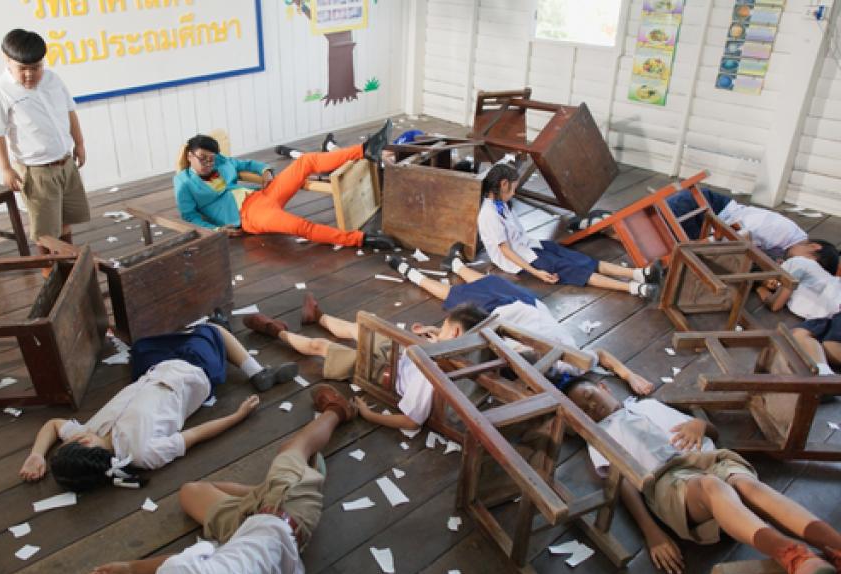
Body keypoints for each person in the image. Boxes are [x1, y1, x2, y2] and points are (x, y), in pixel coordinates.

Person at [566, 380, 840, 574]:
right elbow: (623, 482)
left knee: (748, 485)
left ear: (604, 387)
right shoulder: (598, 438)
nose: (592, 406)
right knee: (711, 486)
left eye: (590, 395)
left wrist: (700, 425)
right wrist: (653, 533)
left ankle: (835, 546)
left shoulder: (648, 405)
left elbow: (711, 433)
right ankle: (793, 555)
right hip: (669, 480)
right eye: (583, 410)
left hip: (710, 458)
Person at [84, 384, 355, 574]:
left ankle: (269, 489)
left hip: (242, 536)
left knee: (190, 492)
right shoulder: (184, 571)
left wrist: (130, 569)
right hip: (287, 519)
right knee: (292, 449)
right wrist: (131, 568)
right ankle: (338, 411)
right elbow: (178, 564)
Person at [18, 324, 298, 491]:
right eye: (71, 443)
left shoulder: (90, 432)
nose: (70, 437)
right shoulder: (143, 454)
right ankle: (257, 372)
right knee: (213, 331)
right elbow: (195, 435)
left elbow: (53, 425)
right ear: (86, 445)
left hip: (152, 372)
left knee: (141, 346)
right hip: (191, 374)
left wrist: (37, 455)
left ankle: (212, 340)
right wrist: (238, 416)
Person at [386, 245, 655, 395]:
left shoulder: (548, 375)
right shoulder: (572, 366)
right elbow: (602, 355)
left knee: (459, 294)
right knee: (479, 286)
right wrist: (630, 375)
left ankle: (413, 273)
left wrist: (435, 335)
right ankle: (453, 266)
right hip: (523, 308)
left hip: (512, 315)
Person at [244, 301, 487, 431]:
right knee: (358, 329)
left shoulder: (431, 375)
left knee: (322, 347)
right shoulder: (463, 352)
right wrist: (434, 335)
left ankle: (276, 331)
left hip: (387, 372)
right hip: (401, 357)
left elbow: (411, 421)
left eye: (444, 328)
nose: (440, 331)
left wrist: (370, 415)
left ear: (455, 332)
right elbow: (442, 344)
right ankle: (317, 316)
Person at [174, 121, 396, 249]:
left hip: (262, 194)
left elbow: (248, 164)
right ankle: (361, 239)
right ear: (190, 155)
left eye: (211, 158)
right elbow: (189, 216)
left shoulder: (219, 161)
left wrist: (265, 171)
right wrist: (216, 230)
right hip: (249, 216)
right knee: (301, 226)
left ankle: (365, 149)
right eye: (203, 158)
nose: (208, 163)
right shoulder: (183, 182)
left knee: (306, 161)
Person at [478, 164, 661, 299]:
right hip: (522, 260)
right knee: (573, 269)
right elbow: (506, 251)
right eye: (513, 188)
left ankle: (638, 274)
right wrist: (536, 272)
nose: (514, 193)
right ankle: (634, 288)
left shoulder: (501, 203)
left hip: (530, 246)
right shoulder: (489, 215)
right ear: (503, 184)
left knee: (580, 259)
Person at [0, 29, 89, 262]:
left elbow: (70, 111)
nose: (30, 75)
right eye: (23, 69)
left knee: (65, 218)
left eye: (36, 67)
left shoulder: (53, 80)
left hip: (64, 161)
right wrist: (5, 169)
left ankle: (68, 262)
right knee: (44, 228)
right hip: (37, 169)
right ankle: (49, 269)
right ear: (6, 59)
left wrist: (79, 143)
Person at [757, 240, 841, 376]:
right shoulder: (811, 275)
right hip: (826, 317)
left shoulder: (799, 262)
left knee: (828, 344)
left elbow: (776, 304)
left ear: (813, 246)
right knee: (799, 336)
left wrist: (761, 289)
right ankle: (825, 375)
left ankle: (826, 378)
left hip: (836, 311)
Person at [665, 187, 809, 260]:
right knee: (660, 223)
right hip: (710, 209)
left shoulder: (788, 243)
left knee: (667, 245)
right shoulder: (784, 232)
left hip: (712, 221)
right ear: (814, 247)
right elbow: (740, 231)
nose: (800, 263)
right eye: (807, 261)